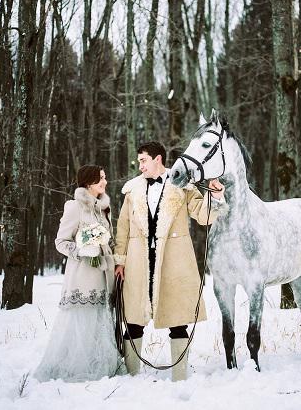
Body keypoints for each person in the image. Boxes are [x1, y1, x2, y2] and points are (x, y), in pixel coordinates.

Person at [114, 141, 226, 382]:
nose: (139, 165)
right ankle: (130, 376)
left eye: (143, 160)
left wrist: (215, 195)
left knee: (178, 321)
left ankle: (179, 377)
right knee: (133, 320)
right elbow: (122, 227)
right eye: (139, 161)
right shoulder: (132, 189)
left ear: (158, 159)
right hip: (138, 262)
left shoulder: (182, 185)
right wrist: (120, 261)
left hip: (173, 261)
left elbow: (203, 216)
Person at [34, 165, 120, 382]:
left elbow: (107, 241)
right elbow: (60, 242)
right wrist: (82, 249)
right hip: (82, 276)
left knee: (98, 322)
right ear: (89, 182)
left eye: (105, 177)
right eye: (101, 178)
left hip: (103, 275)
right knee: (82, 322)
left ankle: (100, 366)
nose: (105, 181)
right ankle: (75, 368)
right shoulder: (74, 207)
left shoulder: (104, 208)